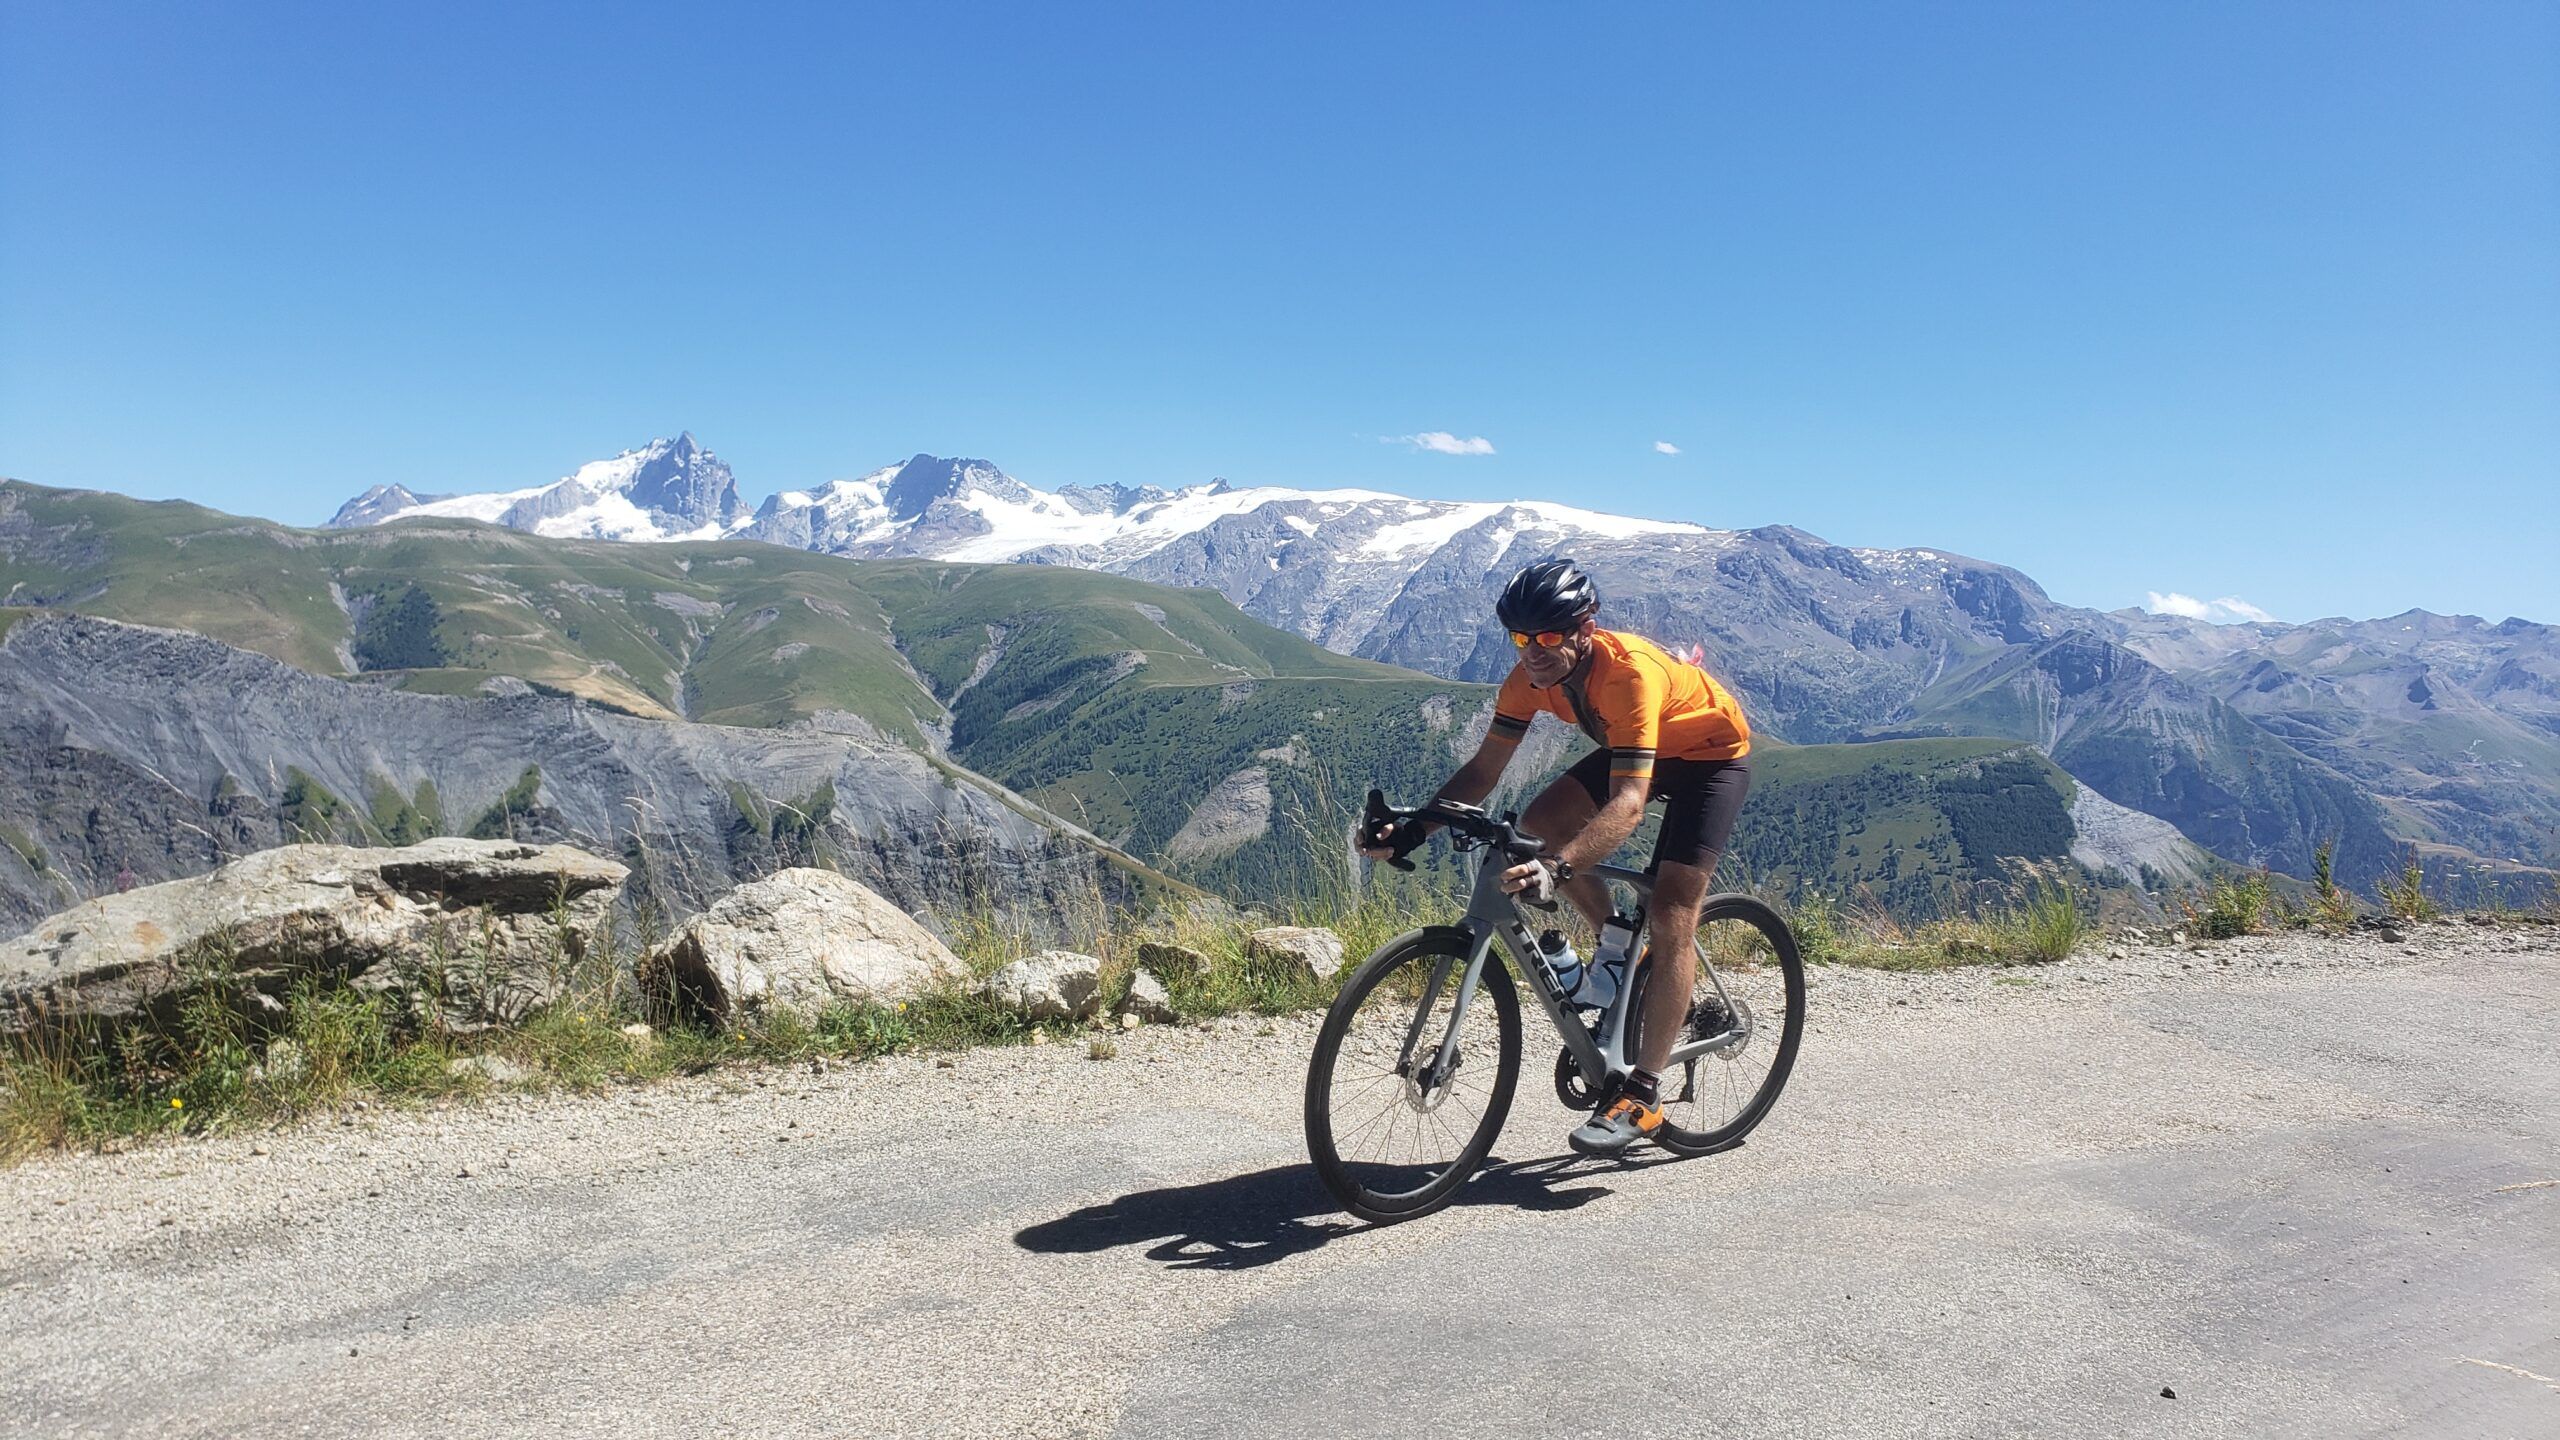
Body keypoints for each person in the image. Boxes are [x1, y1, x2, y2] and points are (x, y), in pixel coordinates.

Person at [1361, 557, 1753, 1155]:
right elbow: (1483, 772)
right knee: (1538, 826)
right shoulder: (1525, 680)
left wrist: (1559, 869)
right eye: (1521, 638)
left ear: (1584, 628)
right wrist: (1415, 831)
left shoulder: (1629, 676)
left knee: (1674, 912)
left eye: (1548, 636)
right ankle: (1622, 947)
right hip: (1640, 746)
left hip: (1711, 760)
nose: (1533, 651)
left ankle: (1643, 1096)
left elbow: (1628, 806)